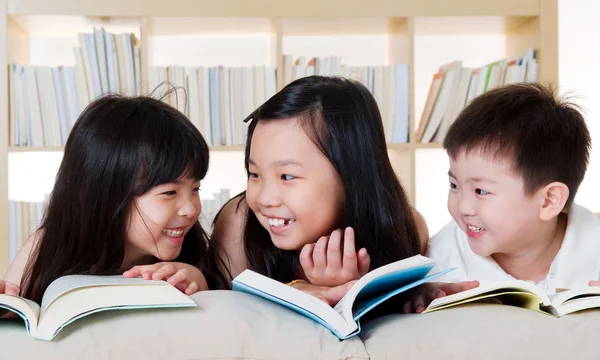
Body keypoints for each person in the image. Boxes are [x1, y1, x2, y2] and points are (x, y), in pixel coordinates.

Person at [212, 76, 473, 306]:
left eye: (287, 176)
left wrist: (414, 294)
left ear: (352, 173)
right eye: (255, 174)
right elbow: (231, 319)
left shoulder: (404, 228)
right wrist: (300, 290)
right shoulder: (239, 224)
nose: (265, 198)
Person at [0, 93, 230, 306]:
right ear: (107, 194)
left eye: (196, 189)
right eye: (170, 192)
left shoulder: (190, 259)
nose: (191, 209)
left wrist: (199, 284)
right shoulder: (45, 249)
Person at [427, 83, 600, 294]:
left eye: (480, 191)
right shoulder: (438, 262)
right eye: (454, 185)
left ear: (548, 201)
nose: (463, 207)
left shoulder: (593, 246)